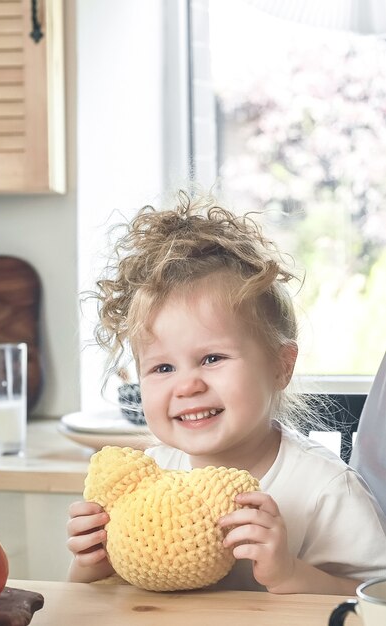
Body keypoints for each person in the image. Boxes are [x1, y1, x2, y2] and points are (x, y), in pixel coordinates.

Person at [67, 190, 386, 592]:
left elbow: (376, 599)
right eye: (162, 367)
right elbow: (96, 602)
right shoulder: (148, 479)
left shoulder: (325, 489)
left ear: (280, 366)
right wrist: (91, 566)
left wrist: (289, 572)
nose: (188, 385)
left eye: (213, 358)